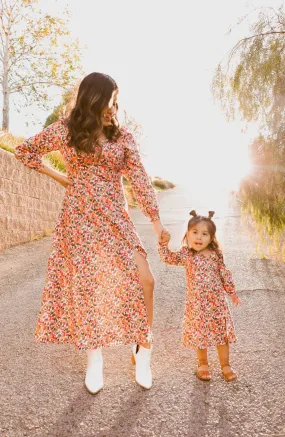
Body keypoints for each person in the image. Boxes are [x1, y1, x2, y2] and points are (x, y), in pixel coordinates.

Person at [14, 72, 166, 394]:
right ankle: (94, 358)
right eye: (110, 99)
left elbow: (139, 178)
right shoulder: (67, 129)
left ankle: (143, 350)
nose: (114, 106)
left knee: (145, 280)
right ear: (94, 98)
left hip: (115, 214)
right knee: (89, 286)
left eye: (116, 100)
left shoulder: (122, 138)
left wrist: (156, 222)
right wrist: (62, 178)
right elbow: (26, 152)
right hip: (79, 216)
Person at [158, 210, 241, 382]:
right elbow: (168, 258)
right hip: (196, 304)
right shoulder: (186, 254)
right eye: (194, 233)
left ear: (211, 238)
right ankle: (203, 363)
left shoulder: (216, 254)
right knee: (200, 335)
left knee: (221, 335)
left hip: (217, 303)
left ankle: (225, 365)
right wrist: (162, 245)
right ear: (187, 234)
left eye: (204, 234)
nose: (199, 237)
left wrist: (231, 292)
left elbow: (224, 274)